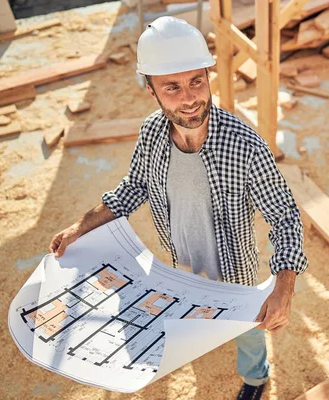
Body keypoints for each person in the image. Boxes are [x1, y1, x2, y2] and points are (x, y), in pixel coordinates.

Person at [49, 16, 308, 400]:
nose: (189, 98)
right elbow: (133, 186)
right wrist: (80, 227)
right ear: (151, 90)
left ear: (208, 76)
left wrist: (283, 288)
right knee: (194, 320)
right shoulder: (152, 132)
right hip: (179, 268)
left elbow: (285, 217)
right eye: (172, 87)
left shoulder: (245, 146)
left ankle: (256, 378)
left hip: (235, 274)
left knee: (249, 334)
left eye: (197, 81)